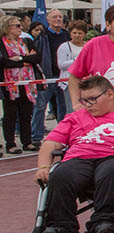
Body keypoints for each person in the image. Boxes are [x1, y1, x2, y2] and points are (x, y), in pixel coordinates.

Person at [34, 75, 114, 233]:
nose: (88, 105)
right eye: (84, 100)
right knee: (61, 174)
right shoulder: (75, 117)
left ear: (110, 94)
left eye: (93, 99)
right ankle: (60, 226)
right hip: (80, 157)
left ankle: (104, 221)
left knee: (113, 170)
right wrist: (43, 167)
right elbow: (50, 144)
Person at [1, 14, 39, 154]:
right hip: (10, 84)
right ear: (7, 27)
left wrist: (20, 58)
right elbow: (5, 61)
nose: (20, 28)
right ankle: (10, 143)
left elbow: (36, 57)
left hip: (27, 83)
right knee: (10, 114)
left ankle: (27, 141)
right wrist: (24, 61)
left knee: (26, 113)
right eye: (17, 25)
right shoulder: (2, 43)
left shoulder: (26, 41)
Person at [31, 9, 69, 147]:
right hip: (47, 76)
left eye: (60, 17)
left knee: (63, 108)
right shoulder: (42, 36)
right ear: (48, 20)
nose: (58, 19)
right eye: (54, 17)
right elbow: (37, 55)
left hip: (63, 77)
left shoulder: (67, 35)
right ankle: (36, 137)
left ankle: (63, 135)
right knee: (40, 106)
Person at [56, 20, 88, 112]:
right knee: (72, 110)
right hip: (69, 82)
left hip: (86, 82)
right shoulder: (64, 46)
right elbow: (61, 65)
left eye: (80, 33)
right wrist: (77, 60)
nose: (77, 35)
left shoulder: (88, 45)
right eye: (74, 33)